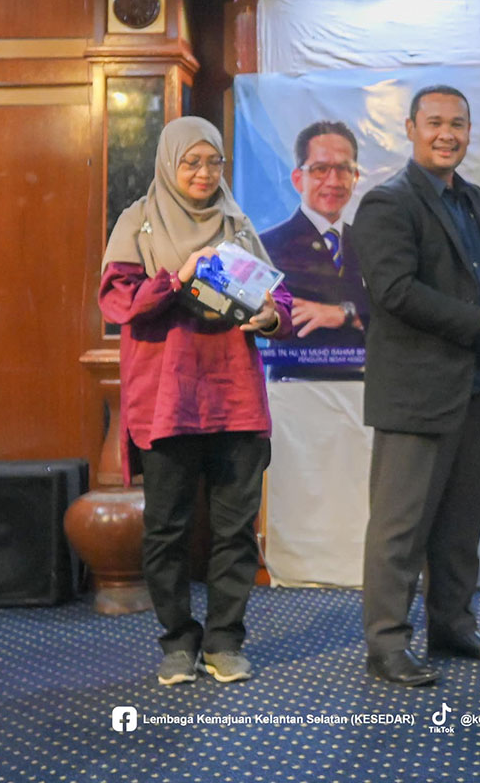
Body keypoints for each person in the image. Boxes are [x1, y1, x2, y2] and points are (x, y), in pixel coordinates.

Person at [351, 85, 480, 687]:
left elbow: (477, 285)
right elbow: (395, 292)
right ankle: (387, 643)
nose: (447, 134)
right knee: (400, 529)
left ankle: (453, 626)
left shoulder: (472, 197)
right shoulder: (387, 203)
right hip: (416, 392)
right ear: (410, 128)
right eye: (434, 122)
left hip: (477, 386)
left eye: (458, 123)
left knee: (460, 526)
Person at [99, 116, 292, 686]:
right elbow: (118, 304)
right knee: (167, 529)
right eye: (192, 162)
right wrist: (176, 277)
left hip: (235, 396)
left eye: (214, 162)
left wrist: (271, 316)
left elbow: (278, 298)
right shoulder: (137, 221)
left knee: (236, 530)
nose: (204, 173)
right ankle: (178, 642)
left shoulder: (236, 223)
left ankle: (225, 641)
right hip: (167, 399)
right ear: (169, 163)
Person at [261, 120, 369, 380]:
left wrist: (343, 313)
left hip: (365, 387)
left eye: (344, 169)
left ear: (355, 178)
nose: (334, 180)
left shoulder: (372, 244)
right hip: (295, 387)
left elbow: (394, 312)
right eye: (320, 169)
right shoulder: (268, 245)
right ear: (298, 179)